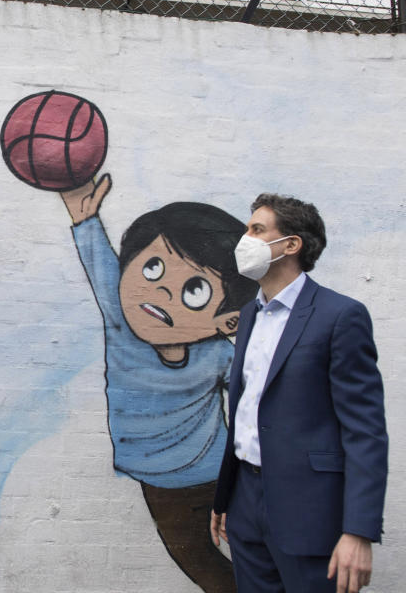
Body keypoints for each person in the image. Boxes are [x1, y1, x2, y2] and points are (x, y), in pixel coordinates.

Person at [61, 174, 256, 592]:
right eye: (152, 267)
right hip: (165, 486)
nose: (162, 291)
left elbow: (257, 397)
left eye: (194, 291)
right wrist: (85, 218)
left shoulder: (220, 353)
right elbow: (100, 267)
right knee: (207, 570)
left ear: (227, 321)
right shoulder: (121, 318)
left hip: (223, 475)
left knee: (263, 559)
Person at [210, 193, 387, 593]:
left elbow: (365, 431)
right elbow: (246, 410)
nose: (245, 238)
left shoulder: (340, 316)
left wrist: (358, 531)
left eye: (257, 229)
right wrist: (226, 499)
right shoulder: (251, 312)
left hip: (309, 512)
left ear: (291, 245)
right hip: (245, 503)